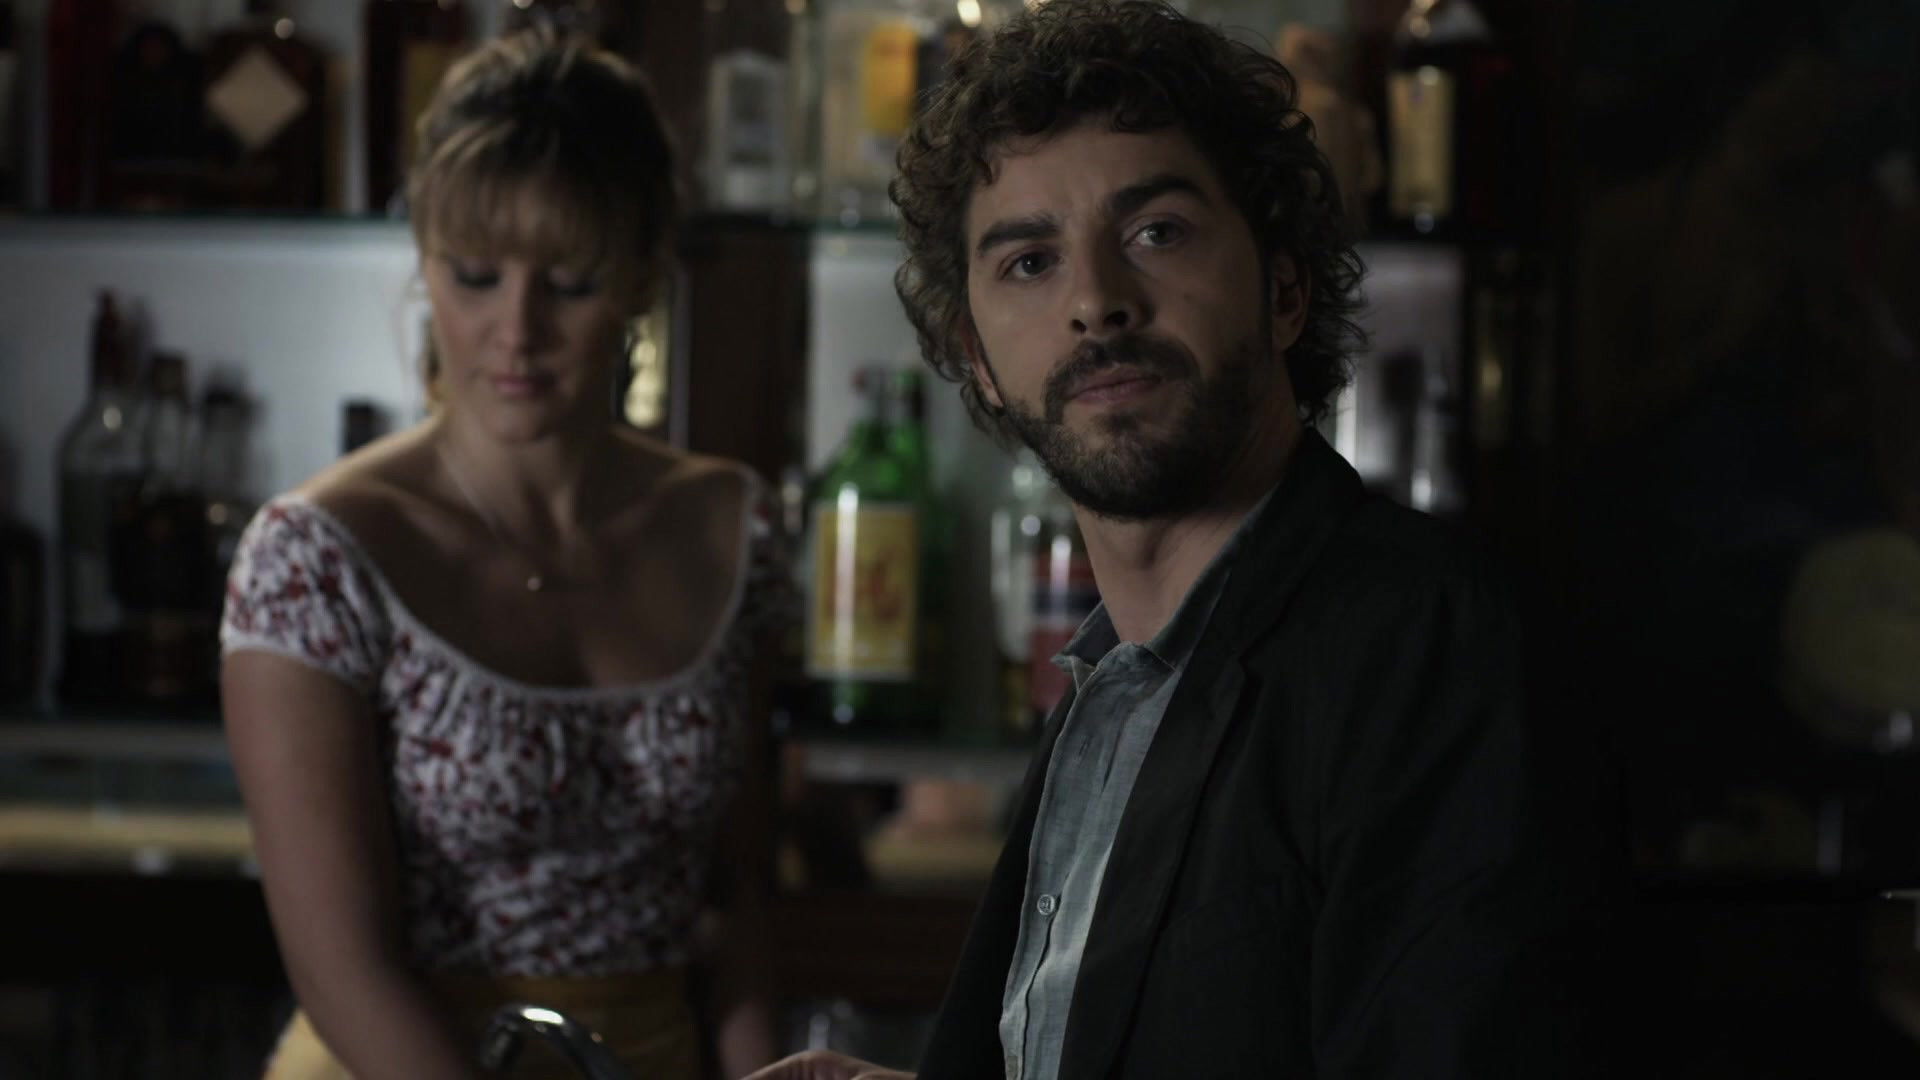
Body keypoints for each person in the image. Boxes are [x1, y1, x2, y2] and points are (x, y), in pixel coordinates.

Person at [748, 2, 1609, 1077]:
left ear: (1284, 289)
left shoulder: (1431, 644)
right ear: (977, 361)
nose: (1096, 303)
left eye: (1157, 232)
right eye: (1030, 261)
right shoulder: (1113, 684)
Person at [220, 30, 785, 1080]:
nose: (515, 330)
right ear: (425, 266)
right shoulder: (316, 556)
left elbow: (740, 896)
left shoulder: (732, 527)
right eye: (475, 276)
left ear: (642, 276)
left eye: (569, 281)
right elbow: (342, 969)